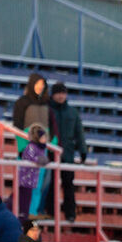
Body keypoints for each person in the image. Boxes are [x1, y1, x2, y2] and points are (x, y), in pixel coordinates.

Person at [49, 81, 85, 221]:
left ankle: (70, 213)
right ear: (53, 95)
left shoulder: (72, 112)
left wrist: (83, 150)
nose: (61, 96)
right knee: (50, 185)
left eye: (63, 93)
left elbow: (79, 132)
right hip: (50, 154)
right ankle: (51, 212)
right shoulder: (47, 110)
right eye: (58, 93)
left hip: (68, 154)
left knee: (68, 184)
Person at [17, 122, 50, 215]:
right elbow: (29, 157)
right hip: (25, 180)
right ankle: (23, 216)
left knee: (28, 198)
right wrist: (39, 160)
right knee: (23, 200)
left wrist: (42, 160)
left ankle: (28, 214)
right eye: (43, 137)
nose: (45, 139)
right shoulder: (31, 146)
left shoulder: (42, 148)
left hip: (32, 180)